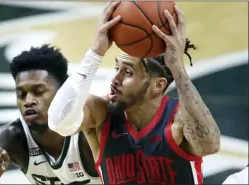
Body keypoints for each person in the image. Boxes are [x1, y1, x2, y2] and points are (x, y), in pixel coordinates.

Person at [48, 1, 221, 185]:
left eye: (128, 72)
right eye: (117, 68)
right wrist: (95, 53)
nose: (115, 79)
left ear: (158, 86)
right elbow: (58, 122)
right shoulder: (102, 113)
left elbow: (210, 145)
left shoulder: (178, 120)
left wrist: (178, 69)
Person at [0, 45, 101, 185]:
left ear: (63, 92)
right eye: (21, 94)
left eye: (38, 91)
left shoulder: (87, 134)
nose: (28, 101)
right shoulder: (9, 138)